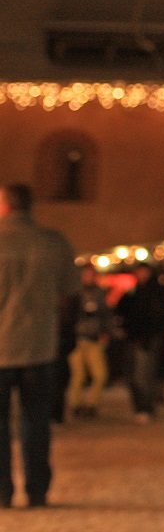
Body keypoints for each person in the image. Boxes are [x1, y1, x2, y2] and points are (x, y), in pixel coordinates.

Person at [0, 183, 77, 507]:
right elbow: (70, 291)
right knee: (36, 420)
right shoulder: (53, 243)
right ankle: (37, 490)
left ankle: (2, 492)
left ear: (4, 205)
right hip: (40, 345)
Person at [116, 262, 164, 422]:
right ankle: (140, 407)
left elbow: (159, 318)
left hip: (147, 340)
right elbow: (121, 310)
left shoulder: (156, 293)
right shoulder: (132, 293)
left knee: (143, 376)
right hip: (132, 339)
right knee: (133, 376)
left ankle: (145, 408)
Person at [66, 264, 114, 419]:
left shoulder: (99, 292)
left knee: (100, 375)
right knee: (78, 376)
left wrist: (105, 331)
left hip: (94, 338)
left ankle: (91, 405)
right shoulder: (74, 293)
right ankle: (76, 405)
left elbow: (107, 314)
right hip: (77, 338)